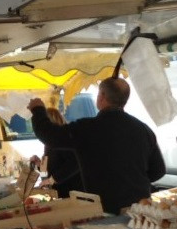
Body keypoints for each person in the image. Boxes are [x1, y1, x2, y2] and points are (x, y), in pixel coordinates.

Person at [29, 77, 165, 214]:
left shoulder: (88, 129)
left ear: (102, 97)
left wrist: (38, 110)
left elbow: (51, 136)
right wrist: (132, 180)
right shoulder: (144, 130)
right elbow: (158, 171)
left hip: (106, 209)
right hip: (141, 208)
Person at [37, 107, 83, 199]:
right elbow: (47, 168)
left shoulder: (63, 141)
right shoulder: (49, 143)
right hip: (60, 192)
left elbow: (75, 164)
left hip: (72, 193)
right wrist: (38, 163)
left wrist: (52, 180)